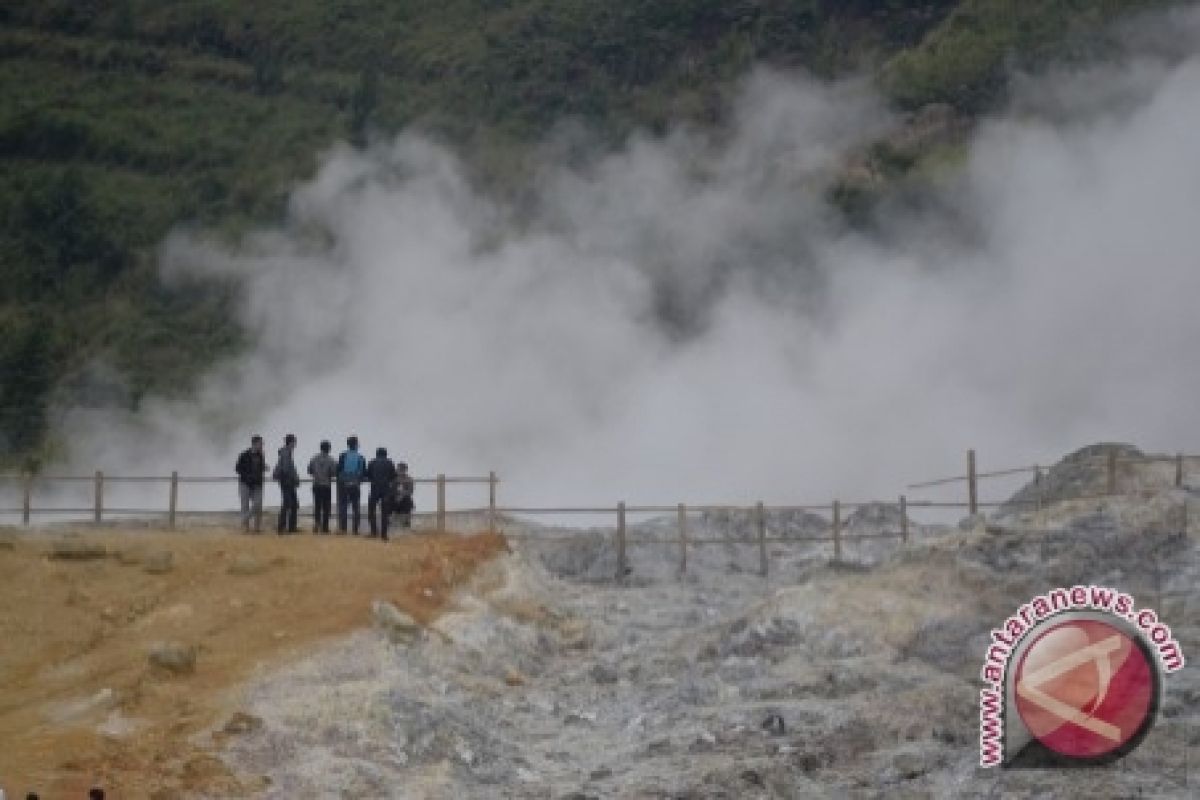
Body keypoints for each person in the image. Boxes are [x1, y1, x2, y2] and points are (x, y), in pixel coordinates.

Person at [234, 435, 267, 532]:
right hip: (245, 483)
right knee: (245, 505)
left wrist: (264, 467)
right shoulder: (244, 455)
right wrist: (247, 476)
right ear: (255, 444)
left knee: (258, 504)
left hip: (257, 484)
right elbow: (238, 468)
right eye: (261, 444)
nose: (262, 446)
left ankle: (252, 524)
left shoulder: (261, 455)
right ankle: (246, 527)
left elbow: (260, 468)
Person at [337, 436, 367, 534]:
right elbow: (363, 472)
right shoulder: (361, 457)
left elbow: (339, 471)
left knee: (343, 507)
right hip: (355, 485)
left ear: (348, 445)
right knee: (356, 507)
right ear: (356, 445)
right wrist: (357, 480)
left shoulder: (342, 455)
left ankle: (343, 529)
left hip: (343, 485)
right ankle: (355, 530)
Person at [366, 447, 398, 540]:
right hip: (385, 490)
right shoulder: (389, 463)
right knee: (385, 513)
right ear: (386, 454)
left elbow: (368, 475)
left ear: (377, 454)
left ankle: (374, 532)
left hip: (374, 489)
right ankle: (384, 535)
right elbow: (393, 476)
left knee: (371, 511)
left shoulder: (372, 462)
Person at [307, 440, 337, 533]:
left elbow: (309, 471)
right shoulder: (331, 460)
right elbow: (333, 473)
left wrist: (317, 474)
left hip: (316, 485)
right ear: (329, 449)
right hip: (326, 486)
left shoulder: (314, 458)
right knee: (326, 507)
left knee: (317, 506)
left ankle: (316, 525)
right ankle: (325, 527)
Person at [273, 433, 300, 534]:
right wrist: (294, 479)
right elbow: (286, 469)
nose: (295, 445)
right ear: (291, 442)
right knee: (288, 504)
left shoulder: (286, 452)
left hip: (286, 481)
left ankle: (288, 527)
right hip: (287, 482)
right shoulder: (286, 453)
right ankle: (283, 527)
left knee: (292, 504)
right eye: (294, 442)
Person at [392, 461, 415, 530]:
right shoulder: (393, 479)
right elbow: (390, 489)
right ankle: (390, 525)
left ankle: (407, 524)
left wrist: (402, 495)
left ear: (405, 470)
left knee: (408, 503)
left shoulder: (409, 479)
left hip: (404, 499)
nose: (400, 471)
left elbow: (410, 491)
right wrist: (396, 495)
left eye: (402, 469)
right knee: (387, 502)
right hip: (394, 499)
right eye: (399, 469)